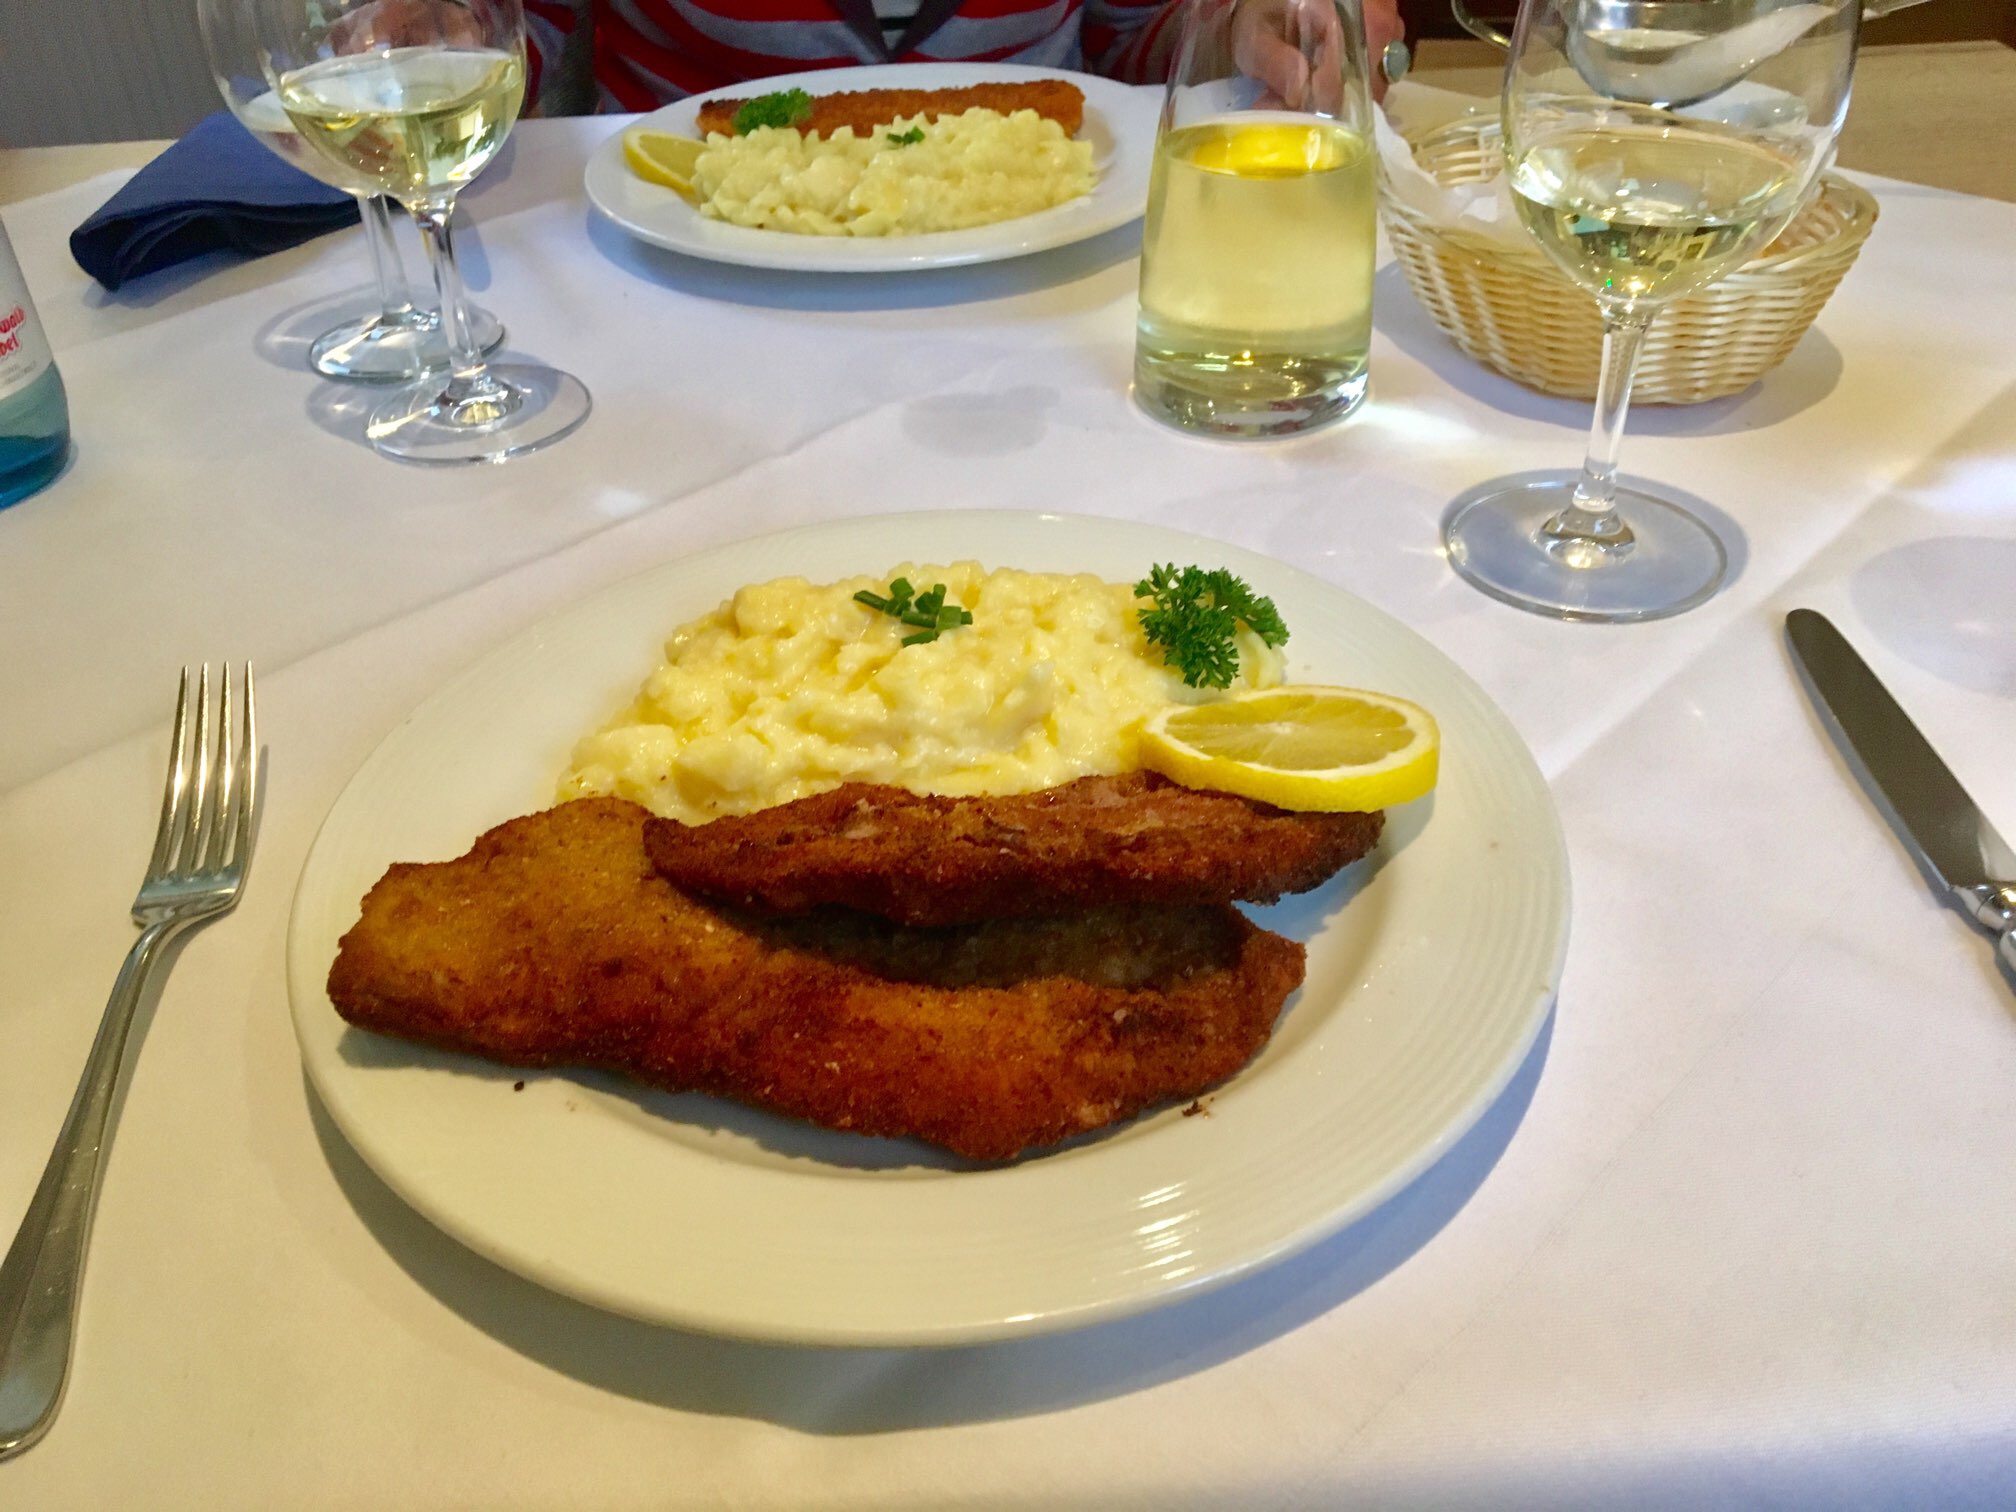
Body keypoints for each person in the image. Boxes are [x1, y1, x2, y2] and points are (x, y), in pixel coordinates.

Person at [520, 0, 1407, 115]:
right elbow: (510, 35)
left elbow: (1137, 37)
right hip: (678, 290)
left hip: (1040, 277)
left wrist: (1247, 27)